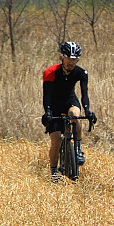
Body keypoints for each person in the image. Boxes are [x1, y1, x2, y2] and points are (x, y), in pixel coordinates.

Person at [41, 41, 97, 181]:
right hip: (54, 104)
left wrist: (88, 110)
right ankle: (54, 171)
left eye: (74, 59)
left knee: (75, 115)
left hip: (69, 100)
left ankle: (77, 149)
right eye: (68, 59)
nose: (71, 62)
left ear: (77, 59)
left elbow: (84, 94)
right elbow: (46, 95)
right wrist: (48, 112)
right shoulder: (50, 72)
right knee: (56, 140)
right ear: (62, 58)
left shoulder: (81, 73)